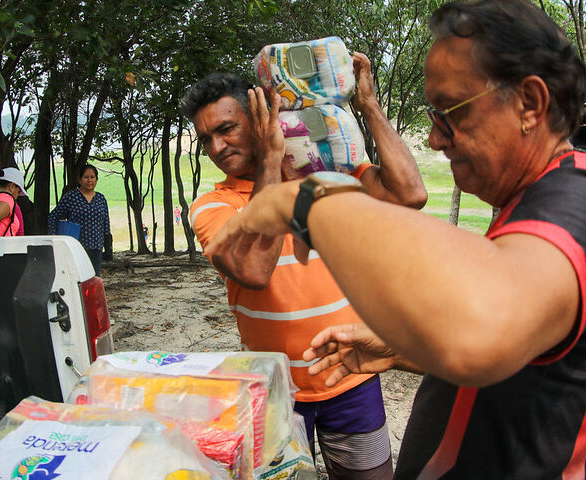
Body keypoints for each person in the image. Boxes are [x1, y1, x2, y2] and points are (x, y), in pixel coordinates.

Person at [203, 1, 586, 478]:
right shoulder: (541, 198)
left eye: (449, 111)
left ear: (529, 105)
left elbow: (481, 334)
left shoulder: (583, 198)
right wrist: (405, 349)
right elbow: (529, 347)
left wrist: (307, 203)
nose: (433, 138)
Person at [180, 66, 426, 478]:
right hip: (272, 392)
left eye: (227, 129)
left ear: (261, 119)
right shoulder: (212, 206)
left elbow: (410, 193)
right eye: (206, 138)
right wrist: (273, 158)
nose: (217, 146)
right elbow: (255, 269)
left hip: (351, 377)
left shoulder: (327, 174)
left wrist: (368, 105)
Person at [48, 164, 111, 273]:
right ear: (80, 179)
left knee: (94, 279)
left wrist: (108, 247)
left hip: (96, 247)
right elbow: (53, 216)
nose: (89, 180)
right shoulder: (71, 197)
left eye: (92, 177)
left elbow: (106, 224)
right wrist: (54, 236)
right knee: (78, 279)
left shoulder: (101, 199)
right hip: (75, 247)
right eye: (86, 177)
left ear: (96, 179)